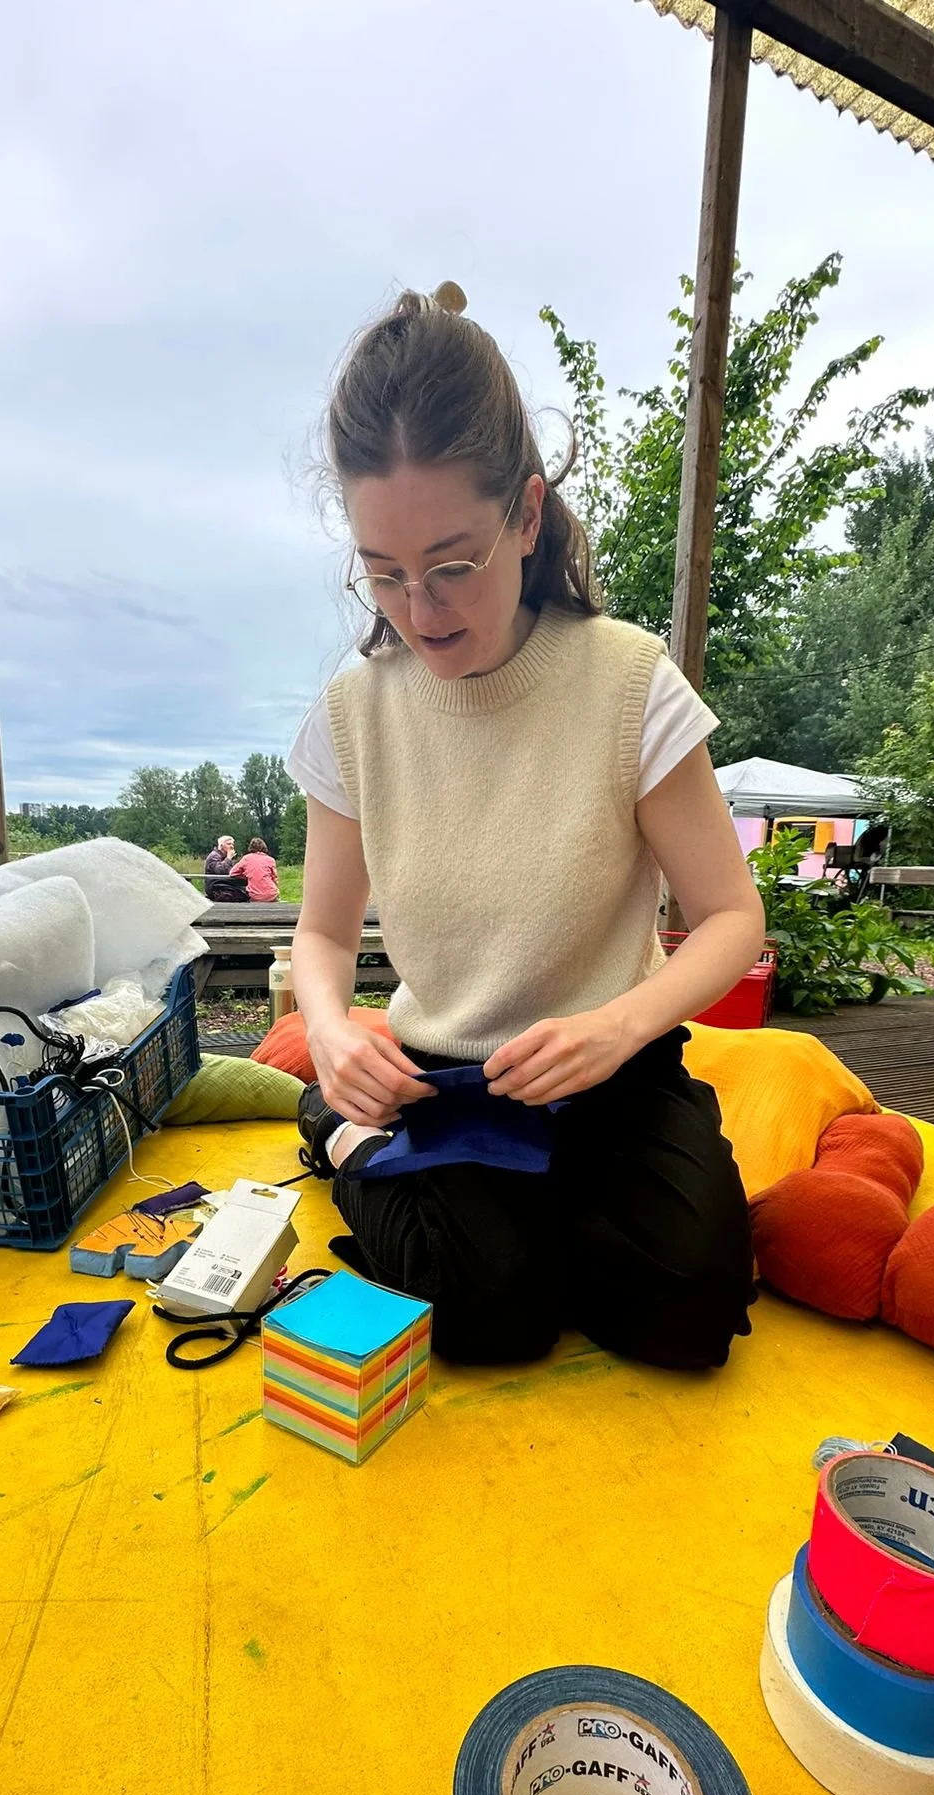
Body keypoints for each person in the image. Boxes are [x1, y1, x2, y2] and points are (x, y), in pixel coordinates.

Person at [287, 283, 765, 1368]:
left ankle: (518, 1214)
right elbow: (321, 934)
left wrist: (619, 1028)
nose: (422, 609)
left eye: (453, 563)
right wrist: (330, 1034)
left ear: (528, 515)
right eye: (385, 573)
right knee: (486, 1315)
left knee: (691, 1311)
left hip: (613, 1060)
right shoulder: (353, 714)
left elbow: (732, 918)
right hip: (442, 1072)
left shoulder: (628, 681)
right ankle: (343, 1133)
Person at [232, 836, 280, 902]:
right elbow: (275, 878)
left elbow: (233, 873)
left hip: (254, 895)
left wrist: (246, 875)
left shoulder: (246, 858)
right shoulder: (271, 860)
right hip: (271, 894)